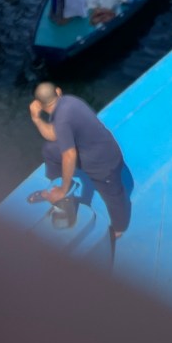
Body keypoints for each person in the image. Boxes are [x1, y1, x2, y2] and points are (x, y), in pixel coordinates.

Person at [27, 82, 132, 239]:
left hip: (105, 164)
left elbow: (69, 155)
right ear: (58, 91)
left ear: (39, 104)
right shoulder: (70, 101)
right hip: (89, 152)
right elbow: (54, 135)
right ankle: (56, 188)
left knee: (114, 196)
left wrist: (64, 189)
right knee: (50, 150)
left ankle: (119, 228)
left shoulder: (62, 120)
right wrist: (36, 119)